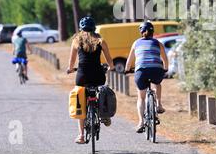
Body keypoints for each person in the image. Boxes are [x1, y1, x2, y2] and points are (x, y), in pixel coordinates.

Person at [66, 16, 115, 144]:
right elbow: (109, 60)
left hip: (82, 76)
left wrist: (70, 69)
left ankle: (81, 135)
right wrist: (111, 67)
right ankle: (104, 114)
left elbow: (71, 61)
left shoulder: (76, 41)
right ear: (94, 28)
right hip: (98, 75)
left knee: (81, 102)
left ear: (81, 29)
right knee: (100, 90)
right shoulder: (100, 41)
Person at [125, 21, 168, 133]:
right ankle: (159, 104)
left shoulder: (136, 43)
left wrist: (127, 69)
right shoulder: (158, 43)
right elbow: (165, 59)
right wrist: (166, 68)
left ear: (141, 32)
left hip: (141, 72)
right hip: (156, 71)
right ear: (153, 32)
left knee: (141, 97)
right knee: (157, 84)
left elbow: (129, 62)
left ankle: (141, 122)